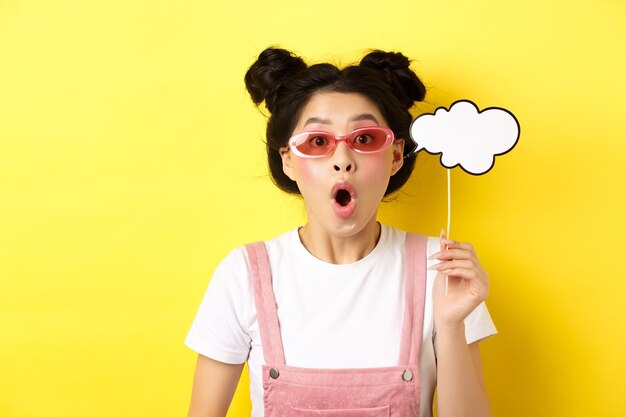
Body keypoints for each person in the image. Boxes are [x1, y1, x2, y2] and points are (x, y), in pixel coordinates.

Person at [185, 47, 497, 417]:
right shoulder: (244, 274)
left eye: (364, 139)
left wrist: (449, 324)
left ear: (396, 155)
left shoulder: (443, 272)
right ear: (288, 160)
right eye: (318, 142)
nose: (343, 159)